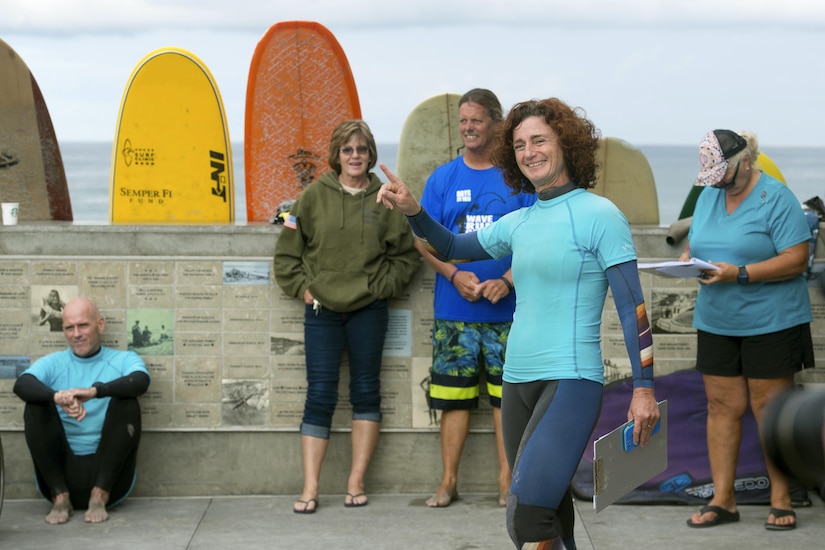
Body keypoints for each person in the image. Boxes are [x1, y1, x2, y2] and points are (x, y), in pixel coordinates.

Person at [377, 97, 659, 550]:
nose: (529, 151)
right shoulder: (520, 221)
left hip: (571, 379)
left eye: (540, 140)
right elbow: (449, 245)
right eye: (520, 144)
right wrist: (413, 208)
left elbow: (633, 308)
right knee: (552, 513)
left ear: (565, 144)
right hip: (517, 380)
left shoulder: (600, 215)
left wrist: (644, 388)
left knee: (525, 516)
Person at [273, 120, 420, 514]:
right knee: (319, 395)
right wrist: (304, 288)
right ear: (336, 155)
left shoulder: (384, 198)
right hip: (321, 311)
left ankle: (356, 481)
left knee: (365, 392)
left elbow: (406, 255)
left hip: (368, 310)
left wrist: (381, 286)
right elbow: (286, 252)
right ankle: (310, 487)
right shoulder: (308, 198)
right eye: (348, 150)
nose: (356, 156)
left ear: (371, 154)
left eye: (362, 149)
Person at [681, 130, 814, 531]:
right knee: (721, 408)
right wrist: (688, 261)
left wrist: (740, 273)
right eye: (712, 175)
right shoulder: (708, 194)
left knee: (770, 411)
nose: (719, 181)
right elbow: (695, 244)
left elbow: (797, 259)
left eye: (724, 172)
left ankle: (781, 497)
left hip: (772, 321)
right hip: (717, 321)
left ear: (746, 160)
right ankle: (724, 499)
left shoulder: (776, 197)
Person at [417, 88, 535, 508]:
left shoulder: (516, 179)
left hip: (507, 315)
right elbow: (422, 239)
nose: (468, 128)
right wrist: (453, 274)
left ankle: (508, 482)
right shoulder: (443, 178)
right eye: (463, 121)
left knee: (509, 401)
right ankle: (448, 482)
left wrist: (508, 278)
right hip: (455, 313)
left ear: (496, 124)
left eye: (477, 121)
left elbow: (536, 235)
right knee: (453, 399)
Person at [13, 297, 150, 524]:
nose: (76, 334)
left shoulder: (123, 359)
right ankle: (61, 498)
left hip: (109, 477)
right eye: (69, 328)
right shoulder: (54, 362)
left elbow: (141, 381)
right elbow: (22, 384)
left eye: (83, 325)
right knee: (35, 405)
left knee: (126, 400)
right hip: (60, 474)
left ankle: (99, 495)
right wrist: (56, 397)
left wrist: (96, 391)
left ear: (101, 324)